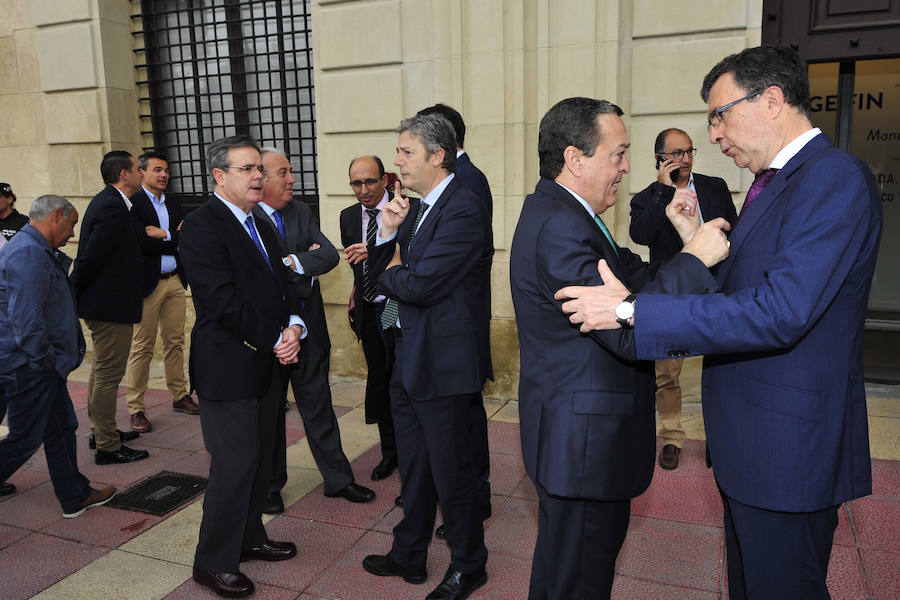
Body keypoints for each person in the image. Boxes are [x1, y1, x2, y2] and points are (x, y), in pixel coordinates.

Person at [556, 45, 882, 600]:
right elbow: (756, 286)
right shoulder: (777, 180)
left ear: (772, 100)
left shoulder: (832, 177)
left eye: (720, 115)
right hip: (755, 445)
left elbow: (780, 311)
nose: (713, 134)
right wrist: (695, 244)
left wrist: (632, 310)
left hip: (788, 451)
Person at [510, 97, 730, 600]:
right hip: (583, 447)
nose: (628, 167)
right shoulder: (561, 225)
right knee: (577, 582)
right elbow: (627, 331)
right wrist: (694, 260)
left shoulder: (569, 212)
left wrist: (688, 242)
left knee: (565, 575)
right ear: (575, 158)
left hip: (581, 442)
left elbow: (633, 280)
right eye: (619, 154)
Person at [362, 113, 491, 600]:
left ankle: (469, 564)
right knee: (415, 464)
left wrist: (396, 267)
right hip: (410, 351)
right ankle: (408, 552)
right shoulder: (417, 208)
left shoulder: (463, 207)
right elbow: (387, 276)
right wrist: (387, 234)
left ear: (438, 156)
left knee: (452, 471)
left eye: (406, 152)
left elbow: (418, 285)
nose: (397, 161)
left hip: (444, 363)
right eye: (398, 151)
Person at [180, 135, 306, 598]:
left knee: (260, 459)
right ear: (219, 176)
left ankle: (250, 537)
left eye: (260, 169)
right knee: (234, 464)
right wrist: (275, 338)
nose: (258, 176)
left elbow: (284, 283)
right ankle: (213, 562)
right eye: (247, 169)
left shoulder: (260, 222)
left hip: (269, 362)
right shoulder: (201, 227)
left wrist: (294, 326)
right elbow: (221, 300)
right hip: (228, 366)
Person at [254, 147, 375, 514]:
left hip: (308, 328)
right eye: (284, 173)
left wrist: (291, 261)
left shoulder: (299, 211)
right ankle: (270, 486)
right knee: (270, 413)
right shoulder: (247, 217)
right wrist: (301, 266)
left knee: (318, 405)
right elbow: (259, 274)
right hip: (269, 335)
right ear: (261, 178)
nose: (293, 179)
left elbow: (329, 256)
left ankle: (338, 479)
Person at [0, 195, 116, 514]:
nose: (73, 232)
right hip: (29, 364)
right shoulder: (27, 253)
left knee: (61, 426)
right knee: (24, 439)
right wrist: (44, 363)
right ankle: (74, 494)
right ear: (55, 216)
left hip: (36, 362)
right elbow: (27, 321)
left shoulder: (36, 249)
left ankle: (74, 495)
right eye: (72, 223)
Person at [629, 128, 738, 469]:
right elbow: (640, 234)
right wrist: (663, 191)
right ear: (660, 159)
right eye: (676, 153)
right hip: (674, 295)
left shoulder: (714, 186)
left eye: (689, 151)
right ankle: (672, 437)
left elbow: (735, 232)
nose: (685, 158)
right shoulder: (648, 198)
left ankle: (721, 439)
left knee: (723, 370)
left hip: (717, 289)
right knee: (667, 375)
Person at [416, 104, 493, 538]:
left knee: (464, 425)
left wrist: (396, 269)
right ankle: (463, 498)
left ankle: (473, 500)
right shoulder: (452, 180)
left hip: (454, 324)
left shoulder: (465, 182)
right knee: (461, 421)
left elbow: (444, 266)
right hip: (445, 322)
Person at [71, 151, 150, 465]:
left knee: (101, 371)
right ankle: (107, 445)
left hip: (106, 303)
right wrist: (74, 290)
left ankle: (101, 431)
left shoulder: (114, 202)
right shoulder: (111, 206)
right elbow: (91, 257)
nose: (142, 173)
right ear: (124, 174)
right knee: (108, 374)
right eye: (137, 169)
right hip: (109, 306)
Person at [124, 152, 198, 435]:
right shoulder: (134, 203)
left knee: (175, 341)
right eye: (157, 170)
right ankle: (136, 408)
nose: (164, 175)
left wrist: (164, 234)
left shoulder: (174, 202)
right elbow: (141, 242)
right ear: (142, 173)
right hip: (148, 284)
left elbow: (187, 236)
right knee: (142, 346)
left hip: (175, 281)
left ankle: (179, 394)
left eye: (166, 170)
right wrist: (172, 237)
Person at [340, 155, 398, 482]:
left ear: (385, 180)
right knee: (379, 381)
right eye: (356, 183)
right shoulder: (348, 217)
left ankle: (411, 448)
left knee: (399, 378)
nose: (363, 190)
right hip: (367, 309)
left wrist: (373, 250)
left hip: (395, 307)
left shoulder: (405, 209)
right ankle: (390, 452)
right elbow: (355, 266)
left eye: (370, 182)